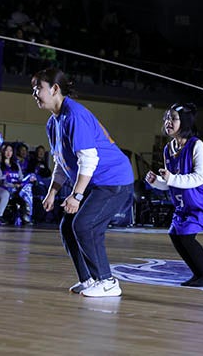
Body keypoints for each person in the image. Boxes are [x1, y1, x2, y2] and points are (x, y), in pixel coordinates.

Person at [32, 67, 134, 298]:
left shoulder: (75, 115)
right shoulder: (53, 122)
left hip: (112, 180)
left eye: (39, 88)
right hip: (94, 182)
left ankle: (107, 281)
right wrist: (52, 192)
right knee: (68, 226)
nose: (35, 93)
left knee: (84, 225)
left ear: (55, 89)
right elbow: (61, 161)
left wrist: (76, 196)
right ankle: (89, 280)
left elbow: (89, 160)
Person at [145, 103, 203, 287]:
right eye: (166, 118)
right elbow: (172, 183)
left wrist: (171, 178)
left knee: (185, 235)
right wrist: (156, 182)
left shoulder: (197, 145)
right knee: (175, 234)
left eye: (173, 118)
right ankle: (199, 275)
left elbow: (198, 178)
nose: (168, 122)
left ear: (184, 122)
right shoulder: (168, 148)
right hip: (187, 201)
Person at [0, 144, 35, 225]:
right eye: (6, 150)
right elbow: (0, 181)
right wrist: (13, 185)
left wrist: (28, 179)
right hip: (4, 189)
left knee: (27, 191)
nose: (8, 153)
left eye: (10, 151)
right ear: (2, 152)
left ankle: (26, 216)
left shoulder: (16, 165)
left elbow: (20, 178)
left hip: (16, 190)